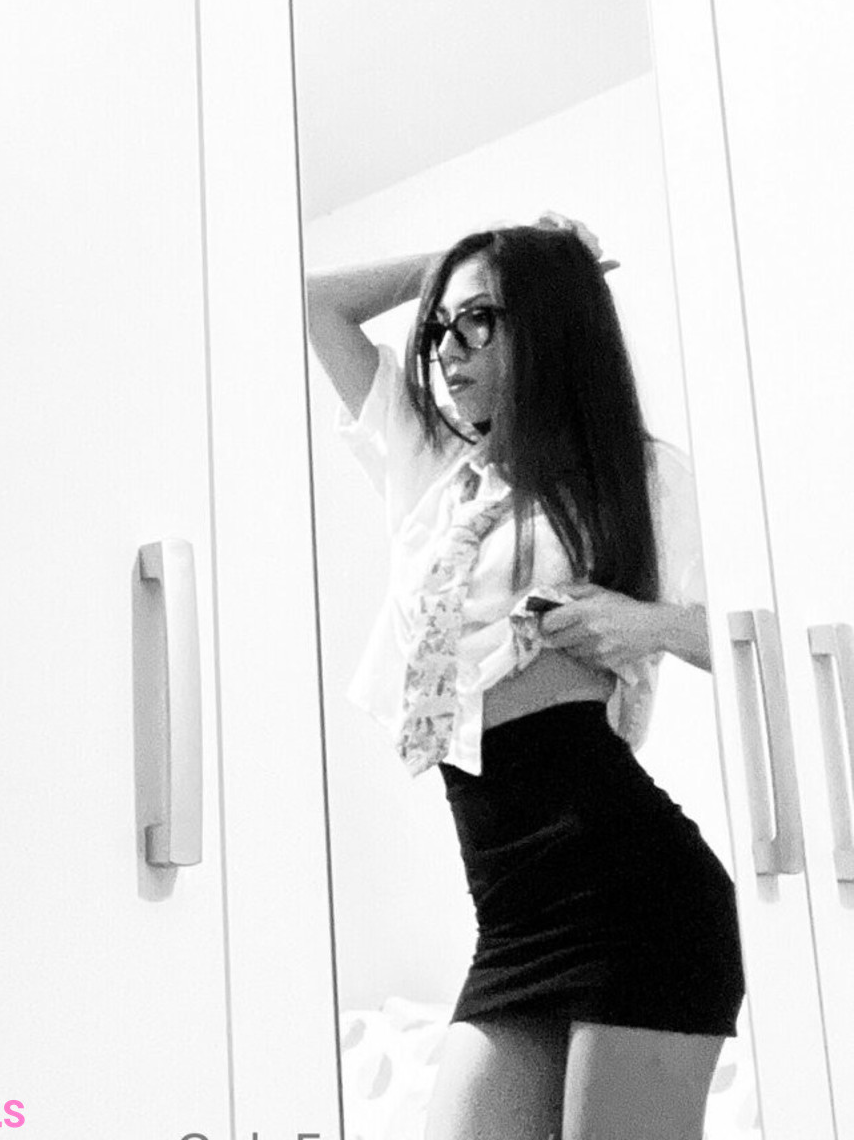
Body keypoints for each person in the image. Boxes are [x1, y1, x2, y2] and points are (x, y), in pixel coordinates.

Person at [305, 215, 746, 1140]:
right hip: (512, 917)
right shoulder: (433, 472)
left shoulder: (637, 472)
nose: (446, 349)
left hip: (639, 896)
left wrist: (643, 622)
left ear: (546, 327)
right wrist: (456, 268)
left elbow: (752, 634)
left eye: (478, 322)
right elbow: (317, 302)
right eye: (439, 328)